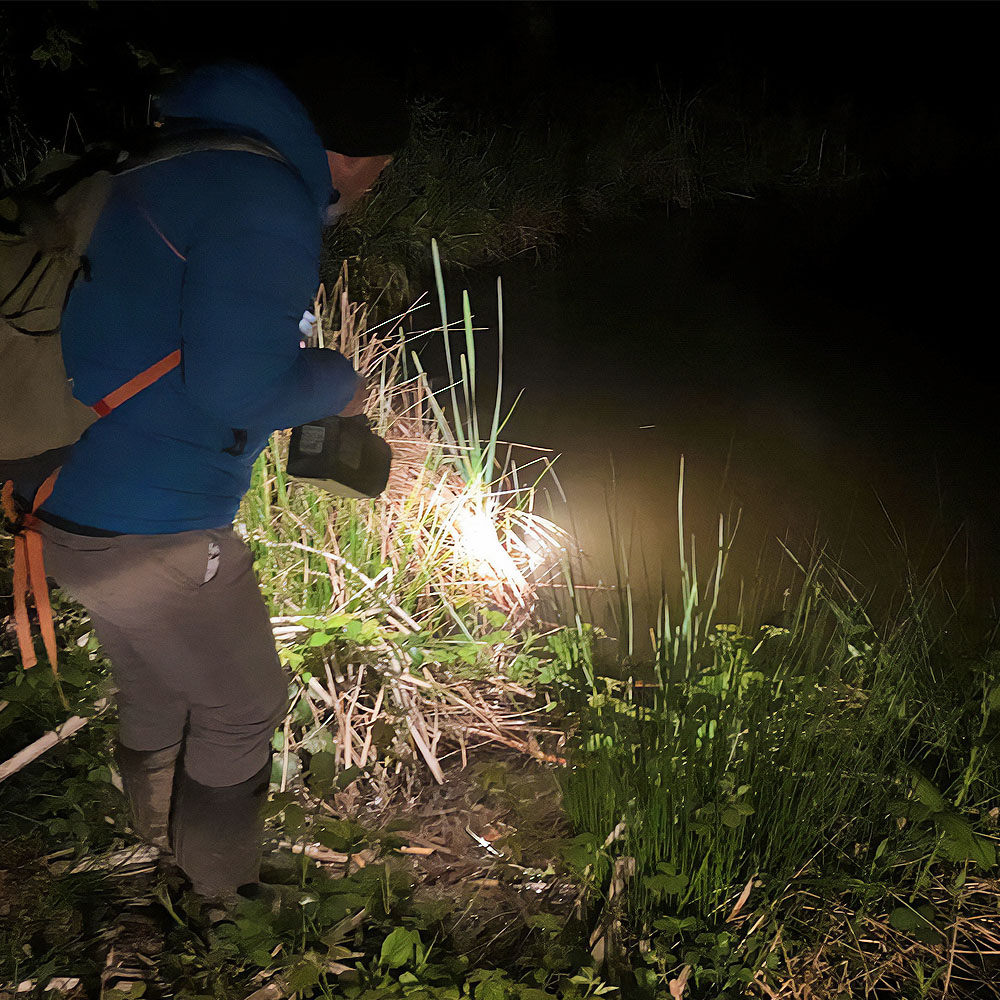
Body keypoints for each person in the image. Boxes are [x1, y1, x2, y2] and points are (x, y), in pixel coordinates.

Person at [30, 61, 408, 902]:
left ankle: (158, 846)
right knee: (242, 706)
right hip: (154, 516)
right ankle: (220, 898)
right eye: (378, 174)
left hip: (64, 496)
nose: (371, 191)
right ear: (344, 153)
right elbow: (237, 390)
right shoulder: (263, 196)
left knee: (157, 682)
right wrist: (342, 381)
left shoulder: (162, 158)